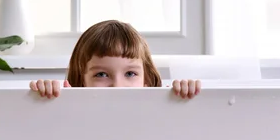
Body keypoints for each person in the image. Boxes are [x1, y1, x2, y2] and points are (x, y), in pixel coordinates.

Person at [29, 20, 201, 99]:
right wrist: (48, 99)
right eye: (102, 74)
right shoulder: (71, 112)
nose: (118, 85)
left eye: (130, 73)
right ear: (81, 80)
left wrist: (183, 98)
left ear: (146, 80)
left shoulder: (158, 111)